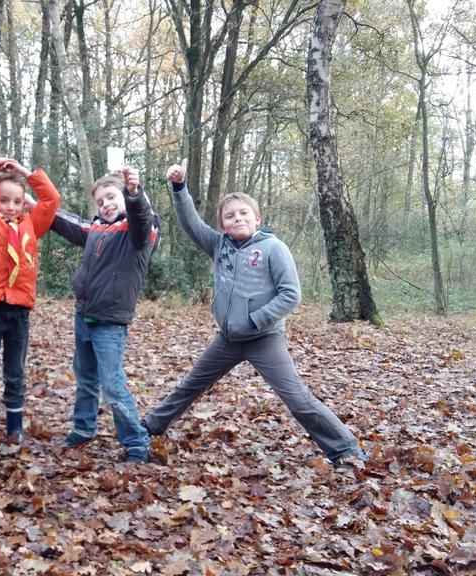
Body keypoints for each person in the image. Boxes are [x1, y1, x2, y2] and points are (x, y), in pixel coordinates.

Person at [142, 159, 367, 473]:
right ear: (223, 225)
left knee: (297, 398)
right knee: (190, 385)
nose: (237, 219)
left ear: (257, 218)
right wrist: (179, 187)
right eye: (230, 216)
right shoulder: (219, 246)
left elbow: (291, 294)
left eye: (243, 213)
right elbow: (191, 223)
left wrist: (254, 321)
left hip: (264, 338)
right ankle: (150, 427)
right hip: (229, 340)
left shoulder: (274, 248)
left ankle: (346, 450)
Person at [50, 167, 161, 463]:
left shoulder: (139, 232)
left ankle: (136, 441)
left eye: (111, 197)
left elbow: (141, 219)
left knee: (112, 384)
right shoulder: (98, 229)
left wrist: (134, 194)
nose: (106, 204)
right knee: (86, 377)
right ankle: (83, 428)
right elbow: (65, 222)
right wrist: (33, 205)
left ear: (123, 197)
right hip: (83, 315)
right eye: (100, 202)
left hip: (110, 323)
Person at [0, 156, 61, 446]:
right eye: (3, 200)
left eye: (16, 202)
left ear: (23, 204)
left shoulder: (31, 225)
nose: (10, 206)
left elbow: (52, 199)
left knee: (15, 372)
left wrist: (24, 173)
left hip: (19, 311)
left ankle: (14, 428)